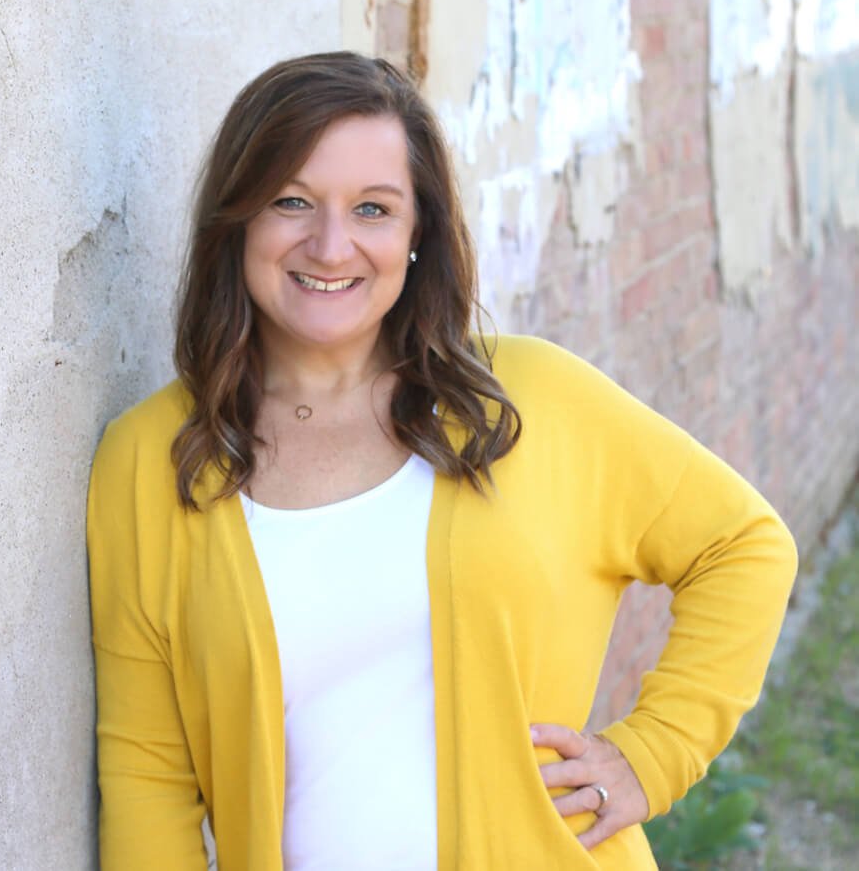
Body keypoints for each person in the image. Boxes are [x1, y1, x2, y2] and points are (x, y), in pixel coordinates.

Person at [87, 52, 798, 870]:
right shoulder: (152, 461)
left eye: (373, 209)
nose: (331, 245)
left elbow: (743, 546)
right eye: (291, 201)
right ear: (238, 218)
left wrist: (653, 755)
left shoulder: (528, 401)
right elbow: (148, 774)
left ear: (417, 232)